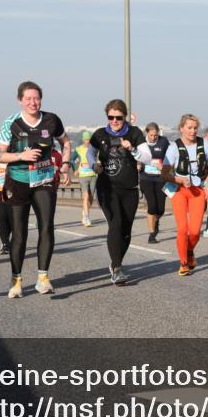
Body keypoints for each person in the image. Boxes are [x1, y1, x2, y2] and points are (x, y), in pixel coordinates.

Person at [0, 81, 71, 299]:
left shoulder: (51, 120)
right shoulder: (11, 123)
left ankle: (43, 278)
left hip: (43, 179)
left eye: (36, 98)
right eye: (28, 98)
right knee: (19, 234)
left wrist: (65, 164)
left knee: (46, 227)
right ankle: (16, 280)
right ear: (20, 100)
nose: (33, 102)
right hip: (18, 181)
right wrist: (21, 155)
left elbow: (66, 143)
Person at [88, 99, 152, 286]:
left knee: (126, 230)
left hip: (129, 189)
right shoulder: (100, 134)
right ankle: (117, 268)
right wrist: (93, 165)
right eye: (111, 117)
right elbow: (90, 153)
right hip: (107, 188)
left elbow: (147, 157)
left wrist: (132, 149)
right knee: (116, 223)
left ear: (124, 116)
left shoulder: (134, 133)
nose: (114, 121)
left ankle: (116, 262)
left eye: (118, 117)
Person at [162, 114, 208, 276]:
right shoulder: (174, 147)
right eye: (189, 128)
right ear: (182, 128)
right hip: (179, 191)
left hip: (197, 191)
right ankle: (183, 263)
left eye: (195, 128)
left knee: (195, 231)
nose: (193, 131)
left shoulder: (204, 144)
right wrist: (179, 179)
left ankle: (189, 250)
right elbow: (164, 174)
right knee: (183, 228)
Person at [138, 122, 170, 244]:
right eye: (151, 135)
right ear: (147, 133)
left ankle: (156, 221)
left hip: (160, 178)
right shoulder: (141, 143)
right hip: (146, 178)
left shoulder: (163, 142)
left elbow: (170, 157)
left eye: (155, 135)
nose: (153, 137)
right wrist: (138, 164)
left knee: (160, 209)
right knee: (152, 206)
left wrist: (165, 166)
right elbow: (136, 156)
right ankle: (152, 234)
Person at [72, 130, 98, 227]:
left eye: (89, 139)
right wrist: (75, 169)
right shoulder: (78, 149)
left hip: (93, 175)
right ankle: (86, 217)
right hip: (83, 175)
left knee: (90, 198)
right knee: (86, 196)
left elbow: (100, 159)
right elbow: (71, 159)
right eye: (86, 139)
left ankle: (85, 211)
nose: (88, 141)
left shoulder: (95, 149)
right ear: (83, 140)